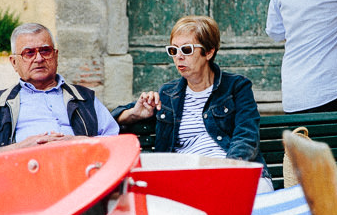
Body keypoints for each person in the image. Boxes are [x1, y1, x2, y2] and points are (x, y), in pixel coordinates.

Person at [117, 15, 273, 191]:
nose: (179, 57)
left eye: (187, 49)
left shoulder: (236, 87)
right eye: (174, 51)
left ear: (209, 52)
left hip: (234, 173)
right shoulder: (167, 95)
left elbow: (246, 136)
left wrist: (226, 172)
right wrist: (134, 114)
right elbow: (111, 121)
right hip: (187, 179)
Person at [0, 22, 120, 160]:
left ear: (55, 56)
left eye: (45, 50)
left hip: (79, 171)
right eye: (29, 53)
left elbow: (115, 142)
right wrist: (19, 148)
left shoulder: (84, 97)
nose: (39, 59)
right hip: (22, 179)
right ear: (14, 63)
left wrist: (78, 143)